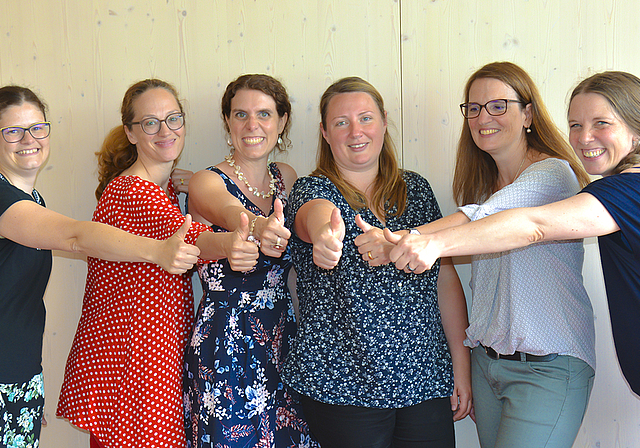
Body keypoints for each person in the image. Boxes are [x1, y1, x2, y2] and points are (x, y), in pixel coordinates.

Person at [388, 70, 640, 399]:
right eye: (575, 125)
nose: (584, 137)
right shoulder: (615, 189)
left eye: (601, 123)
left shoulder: (628, 190)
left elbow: (534, 226)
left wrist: (425, 242)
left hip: (548, 366)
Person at [56, 79, 260, 448]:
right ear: (131, 133)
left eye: (173, 119)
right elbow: (194, 239)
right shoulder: (134, 190)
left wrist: (187, 185)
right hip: (134, 359)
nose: (165, 131)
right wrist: (233, 242)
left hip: (142, 356)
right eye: (150, 123)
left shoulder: (157, 188)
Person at [0, 85, 199, 448]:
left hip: (17, 375)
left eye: (37, 128)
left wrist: (26, 385)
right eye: (12, 131)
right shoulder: (3, 199)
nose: (28, 139)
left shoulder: (30, 198)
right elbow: (76, 237)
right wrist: (156, 250)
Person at [282, 76, 471, 448]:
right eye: (341, 122)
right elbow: (314, 217)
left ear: (384, 121)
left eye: (366, 118)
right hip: (340, 384)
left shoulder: (415, 189)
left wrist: (461, 369)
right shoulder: (313, 189)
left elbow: (444, 280)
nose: (356, 131)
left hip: (423, 379)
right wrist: (325, 237)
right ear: (324, 132)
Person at [183, 74, 317, 447]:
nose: (252, 125)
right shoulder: (206, 181)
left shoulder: (285, 178)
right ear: (227, 121)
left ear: (282, 121)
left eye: (264, 114)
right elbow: (228, 212)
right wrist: (257, 225)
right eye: (240, 114)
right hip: (227, 340)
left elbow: (293, 272)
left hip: (284, 336)